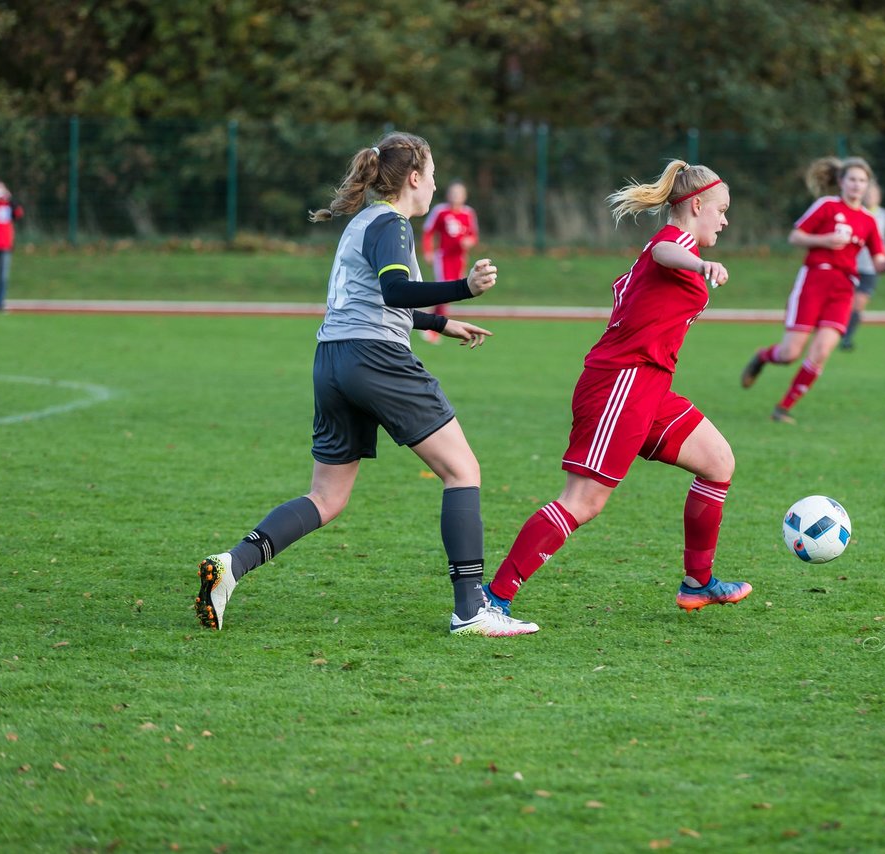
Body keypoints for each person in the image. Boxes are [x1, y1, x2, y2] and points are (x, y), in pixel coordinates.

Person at [194, 132, 537, 637]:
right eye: (434, 174)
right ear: (415, 179)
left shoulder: (364, 224)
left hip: (333, 359)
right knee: (462, 471)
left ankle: (230, 565)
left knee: (326, 498)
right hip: (375, 359)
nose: (436, 183)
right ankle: (470, 610)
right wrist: (464, 289)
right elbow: (394, 290)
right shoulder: (392, 224)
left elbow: (372, 299)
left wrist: (440, 324)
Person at [482, 160, 752, 623]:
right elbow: (666, 252)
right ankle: (492, 598)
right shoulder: (674, 243)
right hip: (620, 383)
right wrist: (701, 262)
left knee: (718, 462)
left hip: (648, 386)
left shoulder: (677, 245)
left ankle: (698, 582)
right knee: (583, 501)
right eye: (722, 210)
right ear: (697, 204)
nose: (725, 220)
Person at [740, 157, 885, 423]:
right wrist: (824, 240)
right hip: (814, 282)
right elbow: (795, 236)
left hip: (843, 289)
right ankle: (763, 357)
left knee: (822, 351)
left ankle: (783, 408)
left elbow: (879, 263)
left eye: (862, 181)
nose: (857, 185)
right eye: (852, 179)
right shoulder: (827, 206)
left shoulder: (868, 220)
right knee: (790, 353)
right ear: (841, 181)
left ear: (867, 186)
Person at [420, 180, 479, 344]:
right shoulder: (441, 211)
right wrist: (428, 251)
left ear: (465, 196)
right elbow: (428, 231)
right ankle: (433, 329)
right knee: (443, 291)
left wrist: (469, 241)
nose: (456, 197)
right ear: (448, 195)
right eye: (453, 193)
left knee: (449, 294)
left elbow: (473, 235)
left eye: (459, 193)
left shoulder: (468, 213)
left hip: (459, 259)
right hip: (443, 257)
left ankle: (433, 324)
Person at [839, 178, 885, 351]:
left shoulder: (884, 215)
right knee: (843, 301)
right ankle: (834, 329)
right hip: (851, 265)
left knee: (859, 303)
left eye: (874, 193)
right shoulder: (855, 213)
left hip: (870, 268)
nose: (871, 196)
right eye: (868, 193)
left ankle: (847, 337)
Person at [0, 181, 24, 312]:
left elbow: (19, 213)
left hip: (4, 246)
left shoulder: (9, 206)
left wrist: (10, 198)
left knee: (3, 277)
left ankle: (0, 303)